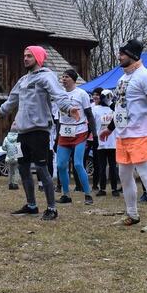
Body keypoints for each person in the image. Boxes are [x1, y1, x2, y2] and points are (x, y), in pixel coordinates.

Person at [0, 45, 79, 220]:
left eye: (29, 56)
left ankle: (52, 208)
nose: (25, 59)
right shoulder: (23, 80)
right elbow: (12, 99)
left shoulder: (47, 77)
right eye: (24, 56)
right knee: (24, 169)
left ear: (38, 59)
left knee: (41, 168)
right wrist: (1, 111)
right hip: (22, 132)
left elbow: (59, 95)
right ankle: (31, 205)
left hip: (39, 131)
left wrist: (69, 108)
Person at [100, 39, 147, 233]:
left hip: (141, 134)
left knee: (146, 175)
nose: (119, 56)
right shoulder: (122, 79)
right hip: (123, 135)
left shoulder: (146, 77)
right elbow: (121, 107)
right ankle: (132, 214)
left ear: (133, 55)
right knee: (124, 175)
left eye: (122, 53)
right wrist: (110, 128)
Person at [56, 69, 97, 205]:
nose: (63, 79)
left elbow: (89, 115)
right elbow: (58, 118)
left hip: (80, 131)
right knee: (61, 165)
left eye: (66, 77)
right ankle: (66, 195)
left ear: (73, 79)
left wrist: (94, 134)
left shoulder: (81, 94)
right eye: (62, 77)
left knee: (78, 164)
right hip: (64, 132)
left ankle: (87, 194)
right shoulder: (59, 95)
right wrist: (57, 136)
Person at [91, 89, 119, 197]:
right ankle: (102, 188)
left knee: (112, 166)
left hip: (113, 142)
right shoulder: (95, 109)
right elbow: (91, 124)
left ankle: (114, 188)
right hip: (101, 142)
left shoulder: (114, 108)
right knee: (102, 166)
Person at [2, 122, 21, 190]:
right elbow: (20, 147)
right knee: (16, 170)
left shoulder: (6, 138)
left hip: (9, 157)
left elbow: (3, 148)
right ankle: (15, 184)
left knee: (10, 171)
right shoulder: (19, 137)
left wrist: (8, 149)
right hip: (17, 157)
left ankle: (10, 184)